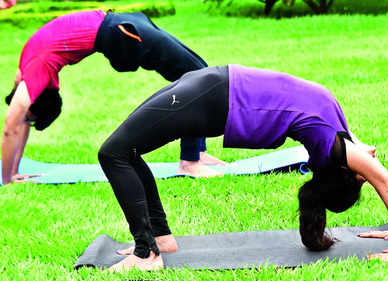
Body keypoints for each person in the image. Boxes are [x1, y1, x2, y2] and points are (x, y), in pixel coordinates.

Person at [97, 65, 388, 272]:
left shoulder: (334, 147)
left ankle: (146, 254)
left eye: (360, 177)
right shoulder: (340, 134)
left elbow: (387, 184)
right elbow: (375, 167)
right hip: (214, 84)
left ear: (342, 173)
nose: (370, 163)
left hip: (217, 95)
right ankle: (159, 240)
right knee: (125, 151)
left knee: (114, 153)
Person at [2, 10, 225, 185]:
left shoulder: (36, 71)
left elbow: (12, 126)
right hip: (118, 28)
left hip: (120, 29)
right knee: (197, 75)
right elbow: (20, 120)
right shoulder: (29, 68)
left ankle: (196, 154)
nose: (26, 123)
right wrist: (12, 172)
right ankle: (190, 161)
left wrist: (7, 177)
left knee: (198, 73)